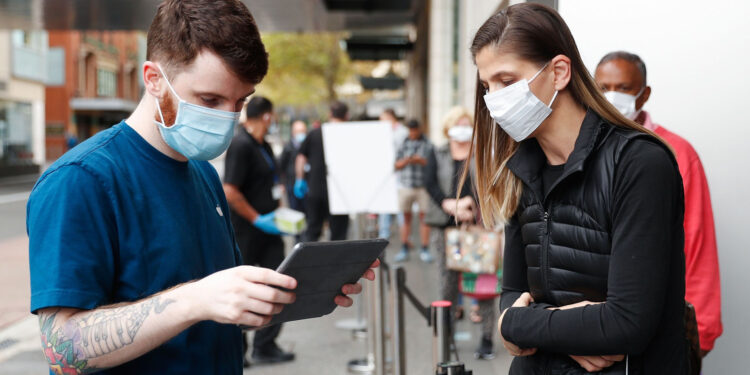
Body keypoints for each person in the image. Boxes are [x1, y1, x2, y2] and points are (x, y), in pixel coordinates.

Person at [26, 1, 375, 374]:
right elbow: (60, 348)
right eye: (210, 100)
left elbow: (220, 311)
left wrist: (284, 298)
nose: (227, 117)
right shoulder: (80, 181)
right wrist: (194, 300)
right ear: (153, 78)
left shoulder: (204, 174)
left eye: (240, 101)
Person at [467, 4, 687, 373]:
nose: (494, 100)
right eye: (487, 86)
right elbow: (510, 297)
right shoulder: (519, 169)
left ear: (558, 72)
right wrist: (568, 329)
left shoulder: (639, 164)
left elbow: (626, 324)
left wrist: (520, 325)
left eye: (506, 81)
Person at [595, 51, 722, 357]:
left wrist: (700, 332)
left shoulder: (676, 153)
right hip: (592, 329)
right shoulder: (581, 150)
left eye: (624, 88)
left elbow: (697, 240)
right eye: (602, 88)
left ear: (644, 94)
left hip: (660, 329)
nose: (612, 96)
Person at [223, 96, 294, 366]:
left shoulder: (263, 144)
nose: (273, 119)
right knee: (243, 290)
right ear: (266, 116)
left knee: (283, 281)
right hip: (246, 231)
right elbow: (230, 190)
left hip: (270, 230)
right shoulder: (240, 145)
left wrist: (278, 213)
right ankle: (238, 353)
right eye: (272, 114)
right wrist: (257, 218)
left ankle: (265, 345)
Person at [424, 106, 499, 359]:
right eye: (459, 123)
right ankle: (447, 337)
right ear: (448, 127)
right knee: (447, 285)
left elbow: (491, 184)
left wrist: (471, 206)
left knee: (483, 285)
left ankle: (487, 339)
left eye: (468, 124)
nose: (464, 128)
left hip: (478, 228)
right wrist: (450, 204)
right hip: (445, 229)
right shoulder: (438, 151)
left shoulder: (482, 151)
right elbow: (429, 182)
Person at [294, 101, 350, 241]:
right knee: (338, 234)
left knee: (313, 230)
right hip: (341, 193)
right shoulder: (349, 134)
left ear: (330, 114)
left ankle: (308, 262)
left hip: (316, 190)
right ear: (347, 115)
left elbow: (301, 158)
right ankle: (336, 262)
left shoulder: (315, 133)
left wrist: (300, 179)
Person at [393, 119, 434, 263]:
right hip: (406, 185)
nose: (413, 133)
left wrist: (420, 161)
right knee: (405, 219)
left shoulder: (428, 143)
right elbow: (395, 165)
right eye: (411, 130)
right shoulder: (403, 143)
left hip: (422, 186)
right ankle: (404, 247)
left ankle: (425, 248)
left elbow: (433, 163)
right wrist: (406, 161)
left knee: (425, 219)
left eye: (415, 130)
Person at [377, 108, 408, 240]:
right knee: (384, 207)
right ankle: (383, 235)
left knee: (401, 208)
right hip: (386, 176)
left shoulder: (403, 133)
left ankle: (405, 237)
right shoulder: (381, 133)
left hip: (400, 176)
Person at [279, 119, 309, 219]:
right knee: (295, 210)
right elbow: (281, 166)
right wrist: (282, 183)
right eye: (299, 131)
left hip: (307, 184)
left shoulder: (308, 145)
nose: (301, 134)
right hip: (292, 184)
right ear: (293, 132)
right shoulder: (288, 147)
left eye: (303, 131)